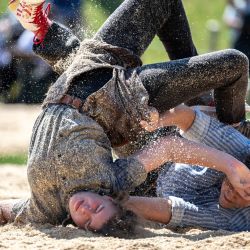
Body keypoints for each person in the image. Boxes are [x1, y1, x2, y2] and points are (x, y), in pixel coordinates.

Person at [1, 0, 250, 234]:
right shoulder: (111, 183)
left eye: (86, 220)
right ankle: (207, 102)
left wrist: (119, 206)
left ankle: (43, 31)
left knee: (82, 74)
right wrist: (230, 159)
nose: (85, 210)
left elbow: (9, 209)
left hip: (100, 96)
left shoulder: (46, 210)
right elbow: (173, 139)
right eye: (96, 210)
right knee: (231, 63)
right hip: (123, 98)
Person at [124, 104, 250, 231]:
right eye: (231, 183)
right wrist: (154, 122)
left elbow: (171, 209)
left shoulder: (235, 221)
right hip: (165, 144)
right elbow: (186, 118)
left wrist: (119, 203)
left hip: (154, 193)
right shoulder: (241, 150)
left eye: (246, 193)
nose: (232, 192)